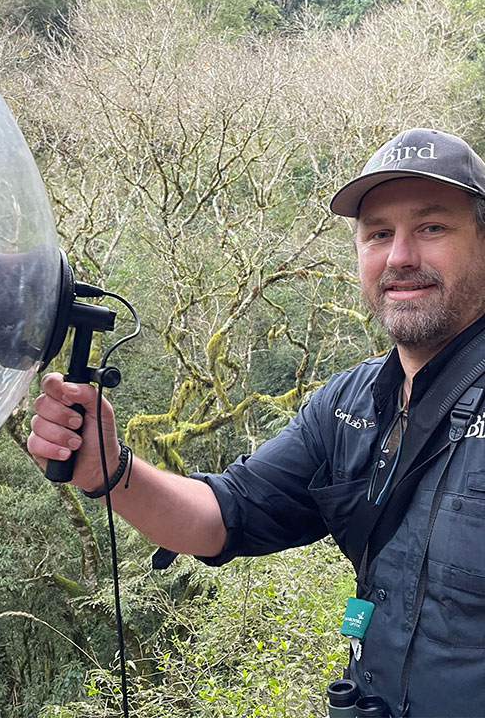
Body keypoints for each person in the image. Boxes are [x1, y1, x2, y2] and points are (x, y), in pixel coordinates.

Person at [28, 127, 485, 717]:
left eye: (432, 227)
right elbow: (224, 515)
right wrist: (108, 470)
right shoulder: (348, 404)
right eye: (378, 234)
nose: (399, 256)